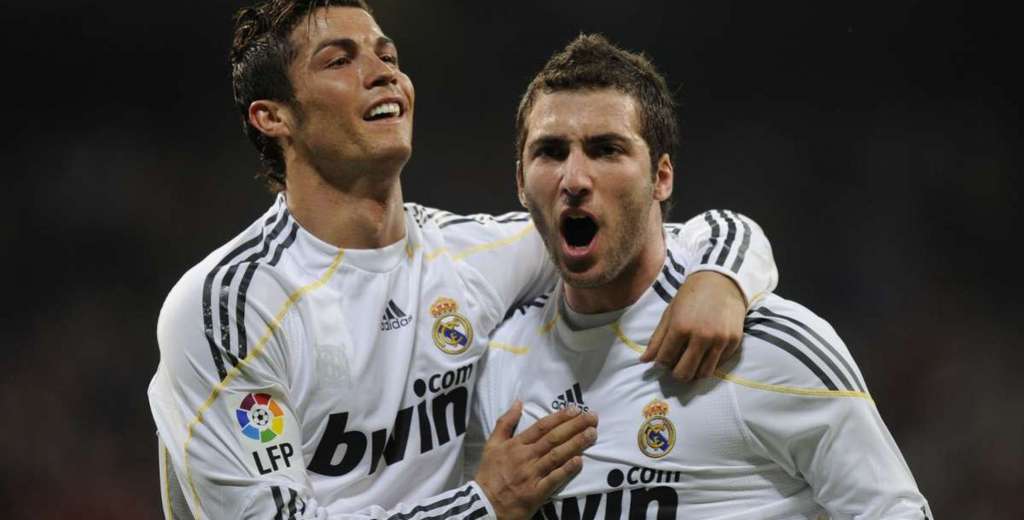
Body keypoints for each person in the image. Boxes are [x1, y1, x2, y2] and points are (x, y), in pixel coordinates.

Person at [147, 2, 780, 519]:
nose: (383, 74)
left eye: (387, 56)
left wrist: (721, 278)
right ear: (273, 117)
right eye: (340, 60)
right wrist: (483, 505)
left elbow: (662, 233)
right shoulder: (232, 305)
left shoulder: (476, 255)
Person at [469, 34, 932, 519]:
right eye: (551, 152)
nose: (575, 179)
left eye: (606, 149)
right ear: (520, 181)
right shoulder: (497, 364)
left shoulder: (767, 348)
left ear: (661, 177)